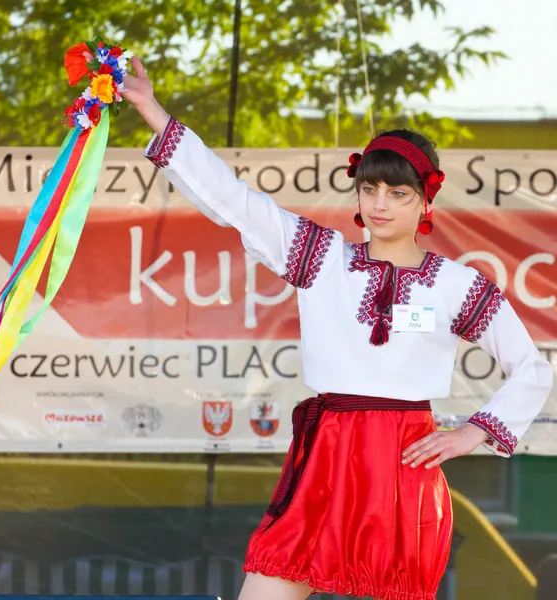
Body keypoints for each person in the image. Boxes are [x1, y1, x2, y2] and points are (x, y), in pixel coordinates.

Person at [121, 57, 553, 600]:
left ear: (425, 200)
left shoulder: (455, 285)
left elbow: (530, 368)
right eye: (371, 189)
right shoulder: (319, 258)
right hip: (326, 458)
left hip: (401, 466)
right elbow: (232, 200)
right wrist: (150, 108)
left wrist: (473, 432)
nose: (380, 204)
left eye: (398, 193)